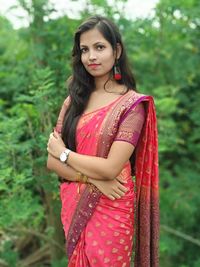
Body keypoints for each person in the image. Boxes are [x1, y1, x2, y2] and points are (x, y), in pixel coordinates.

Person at [47, 15, 159, 267]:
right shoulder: (73, 101)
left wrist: (63, 153)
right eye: (84, 50)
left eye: (99, 47)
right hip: (76, 202)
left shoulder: (132, 106)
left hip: (113, 205)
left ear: (116, 50)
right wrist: (92, 179)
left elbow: (111, 168)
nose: (91, 57)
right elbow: (51, 163)